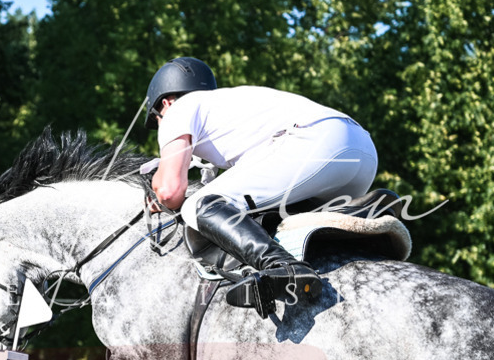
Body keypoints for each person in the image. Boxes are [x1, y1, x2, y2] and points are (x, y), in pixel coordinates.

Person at [146, 57, 379, 317]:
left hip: (319, 143)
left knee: (199, 205)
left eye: (156, 119)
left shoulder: (179, 109)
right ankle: (374, 209)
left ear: (165, 103)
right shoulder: (228, 107)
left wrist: (158, 194)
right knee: (264, 214)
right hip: (362, 152)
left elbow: (170, 190)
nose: (160, 127)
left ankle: (284, 267)